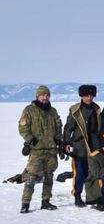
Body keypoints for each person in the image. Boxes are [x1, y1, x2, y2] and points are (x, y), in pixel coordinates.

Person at [18, 85, 63, 213]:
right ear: (38, 96)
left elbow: (58, 125)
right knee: (31, 177)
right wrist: (31, 140)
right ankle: (25, 203)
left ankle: (46, 201)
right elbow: (22, 127)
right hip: (36, 150)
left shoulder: (52, 111)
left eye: (47, 95)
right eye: (43, 95)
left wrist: (58, 139)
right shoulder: (29, 110)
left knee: (49, 177)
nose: (45, 97)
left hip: (51, 150)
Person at [63, 84, 100, 207]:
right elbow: (69, 127)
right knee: (79, 173)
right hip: (79, 147)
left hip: (94, 146)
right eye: (86, 96)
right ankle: (77, 196)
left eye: (91, 95)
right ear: (81, 96)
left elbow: (100, 128)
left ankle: (92, 195)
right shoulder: (75, 110)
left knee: (93, 172)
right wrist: (67, 142)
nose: (89, 98)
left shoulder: (97, 109)